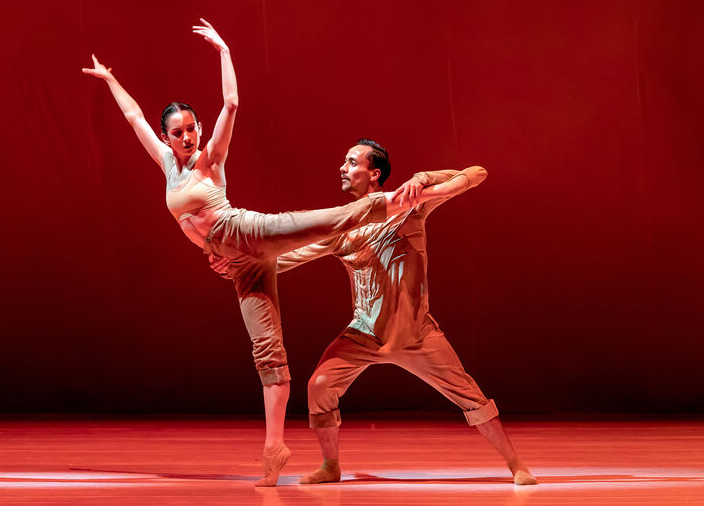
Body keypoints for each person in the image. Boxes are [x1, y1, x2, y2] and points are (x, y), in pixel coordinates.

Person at [82, 20, 483, 486]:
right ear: (167, 136)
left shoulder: (210, 159)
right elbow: (134, 119)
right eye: (179, 132)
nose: (188, 137)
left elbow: (231, 103)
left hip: (247, 232)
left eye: (192, 128)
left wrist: (224, 50)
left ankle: (393, 202)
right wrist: (112, 80)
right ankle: (275, 448)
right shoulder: (167, 165)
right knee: (267, 353)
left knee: (322, 220)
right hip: (238, 263)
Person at [214, 139, 536, 486]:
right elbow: (285, 259)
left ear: (374, 174)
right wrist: (237, 264)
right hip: (364, 334)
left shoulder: (408, 205)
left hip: (415, 334)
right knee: (320, 385)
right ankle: (330, 466)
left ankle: (516, 464)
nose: (343, 167)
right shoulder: (343, 227)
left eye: (351, 162)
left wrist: (423, 178)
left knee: (469, 394)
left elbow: (476, 174)